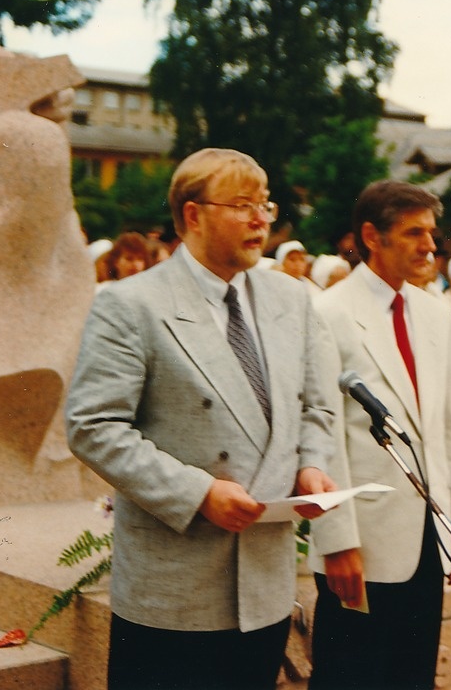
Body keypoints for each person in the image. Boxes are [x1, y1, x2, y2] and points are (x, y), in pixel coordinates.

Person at [65, 147, 338, 690]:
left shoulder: (292, 297)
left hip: (264, 588)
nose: (261, 219)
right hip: (174, 596)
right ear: (193, 214)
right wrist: (197, 493)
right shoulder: (132, 304)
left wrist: (311, 465)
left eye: (265, 204)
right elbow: (93, 426)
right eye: (242, 205)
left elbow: (316, 404)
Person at [309, 180, 451, 690]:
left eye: (431, 233)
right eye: (413, 233)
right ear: (371, 237)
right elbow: (321, 435)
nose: (430, 245)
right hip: (361, 547)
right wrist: (337, 541)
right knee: (348, 679)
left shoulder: (435, 314)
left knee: (412, 678)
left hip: (427, 541)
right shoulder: (328, 313)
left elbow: (445, 430)